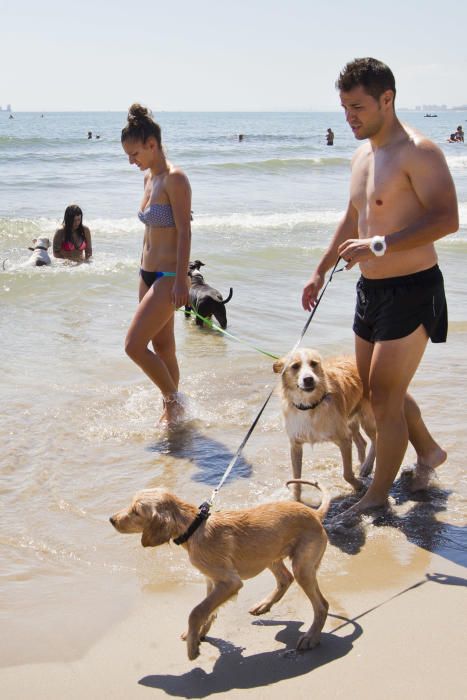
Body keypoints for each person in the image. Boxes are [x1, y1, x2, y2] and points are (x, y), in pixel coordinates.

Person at [302, 57, 458, 522]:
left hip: (413, 289)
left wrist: (379, 245)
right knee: (373, 392)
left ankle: (377, 496)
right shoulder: (361, 155)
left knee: (385, 396)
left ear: (386, 100)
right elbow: (353, 218)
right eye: (344, 107)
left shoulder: (420, 151)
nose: (349, 116)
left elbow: (447, 219)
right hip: (370, 292)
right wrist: (320, 268)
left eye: (358, 107)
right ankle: (427, 452)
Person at [121, 104, 191, 425]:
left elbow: (185, 231)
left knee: (133, 346)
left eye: (135, 154)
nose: (131, 161)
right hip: (147, 273)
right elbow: (150, 232)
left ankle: (174, 402)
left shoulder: (175, 179)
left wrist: (182, 281)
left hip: (168, 276)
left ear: (152, 144)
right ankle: (173, 415)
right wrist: (141, 270)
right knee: (163, 347)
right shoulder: (149, 178)